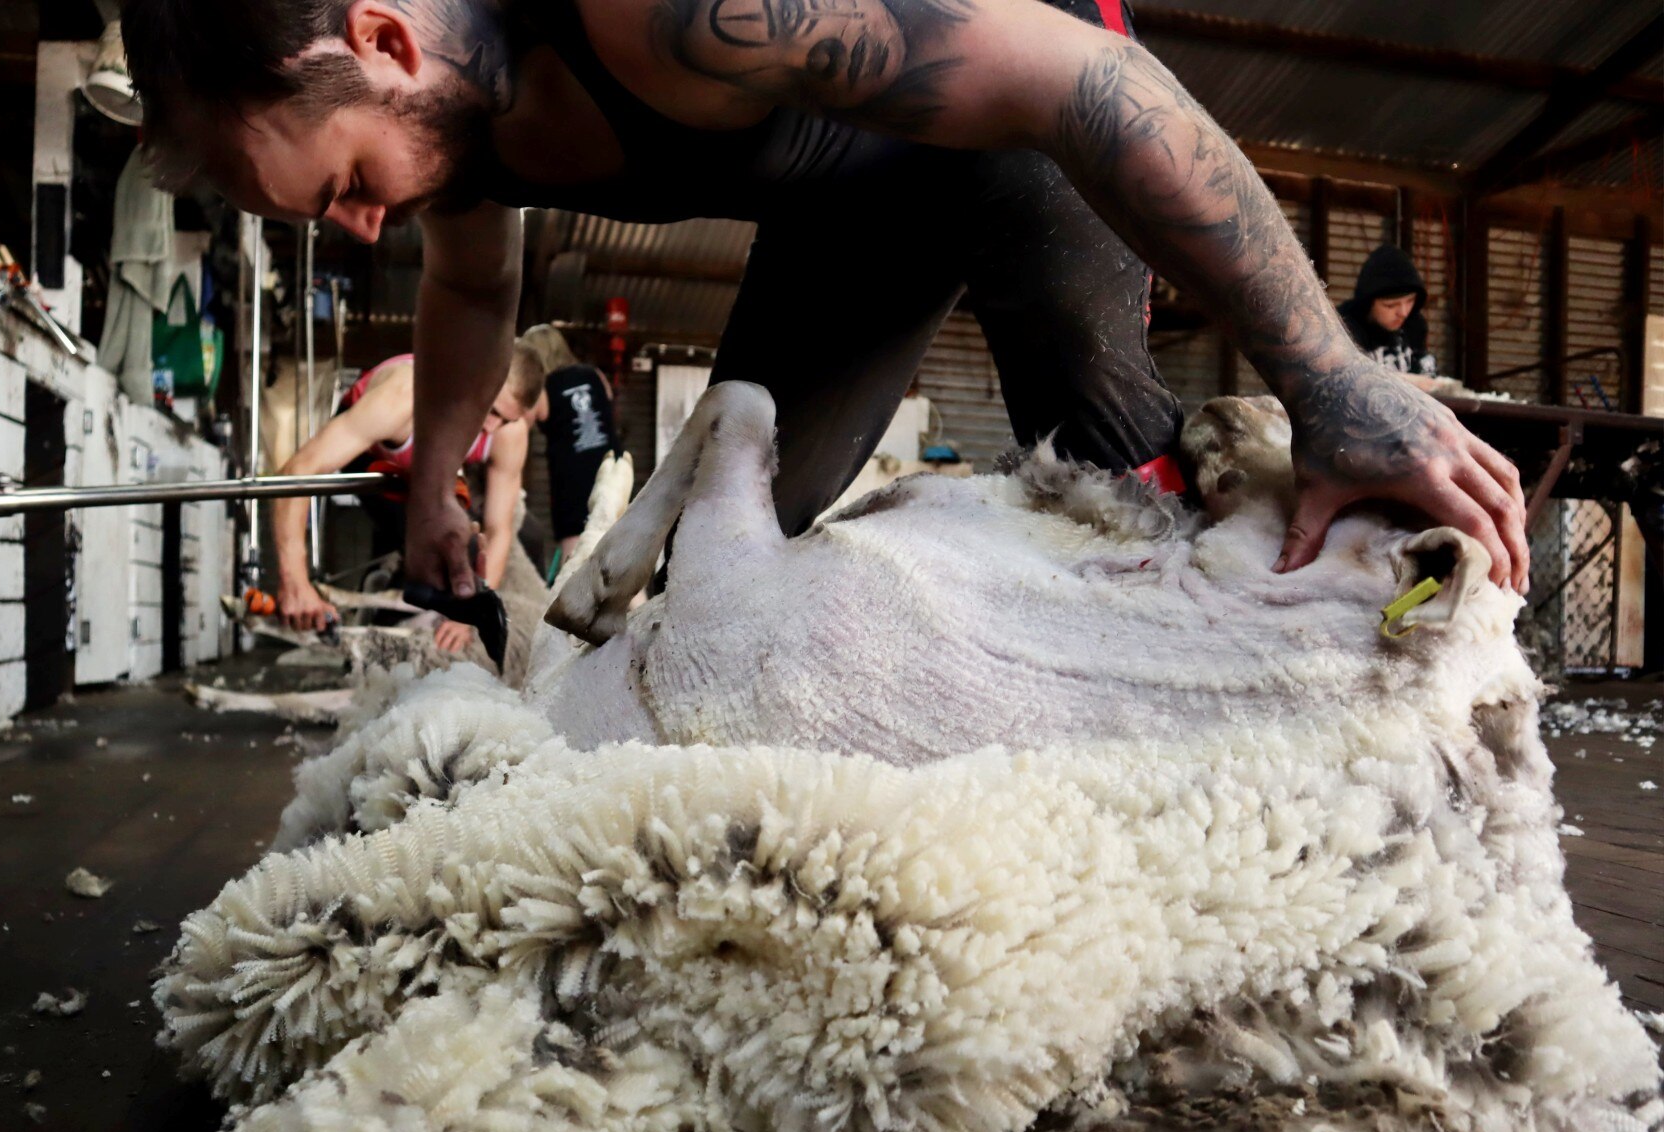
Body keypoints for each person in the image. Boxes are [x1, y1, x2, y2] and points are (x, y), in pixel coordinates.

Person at [121, 0, 1528, 603]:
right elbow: (475, 284)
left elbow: (1074, 82)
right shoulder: (466, 132)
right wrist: (434, 485)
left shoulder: (661, 17)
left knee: (1134, 516)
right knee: (707, 596)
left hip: (1029, 117)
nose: (364, 222)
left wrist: (1333, 382)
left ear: (384, 40)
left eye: (343, 184)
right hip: (854, 203)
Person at [269, 344, 545, 647]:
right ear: (474, 380)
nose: (492, 428)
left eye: (505, 420)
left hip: (429, 467)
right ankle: (380, 639)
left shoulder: (507, 433)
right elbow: (298, 471)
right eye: (491, 411)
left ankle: (395, 637)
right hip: (373, 451)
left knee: (504, 540)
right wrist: (294, 579)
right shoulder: (403, 398)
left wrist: (469, 612)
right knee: (432, 551)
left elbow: (500, 529)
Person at [521, 323, 621, 560]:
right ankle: (639, 598)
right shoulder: (594, 374)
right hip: (612, 469)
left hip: (572, 480)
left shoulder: (543, 388)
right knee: (620, 554)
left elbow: (519, 421)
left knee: (575, 558)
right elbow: (607, 406)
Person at [1338, 245, 1434, 379]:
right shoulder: (1343, 330)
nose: (1403, 313)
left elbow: (1428, 374)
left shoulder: (1414, 325)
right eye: (1390, 306)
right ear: (1368, 304)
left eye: (1410, 301)